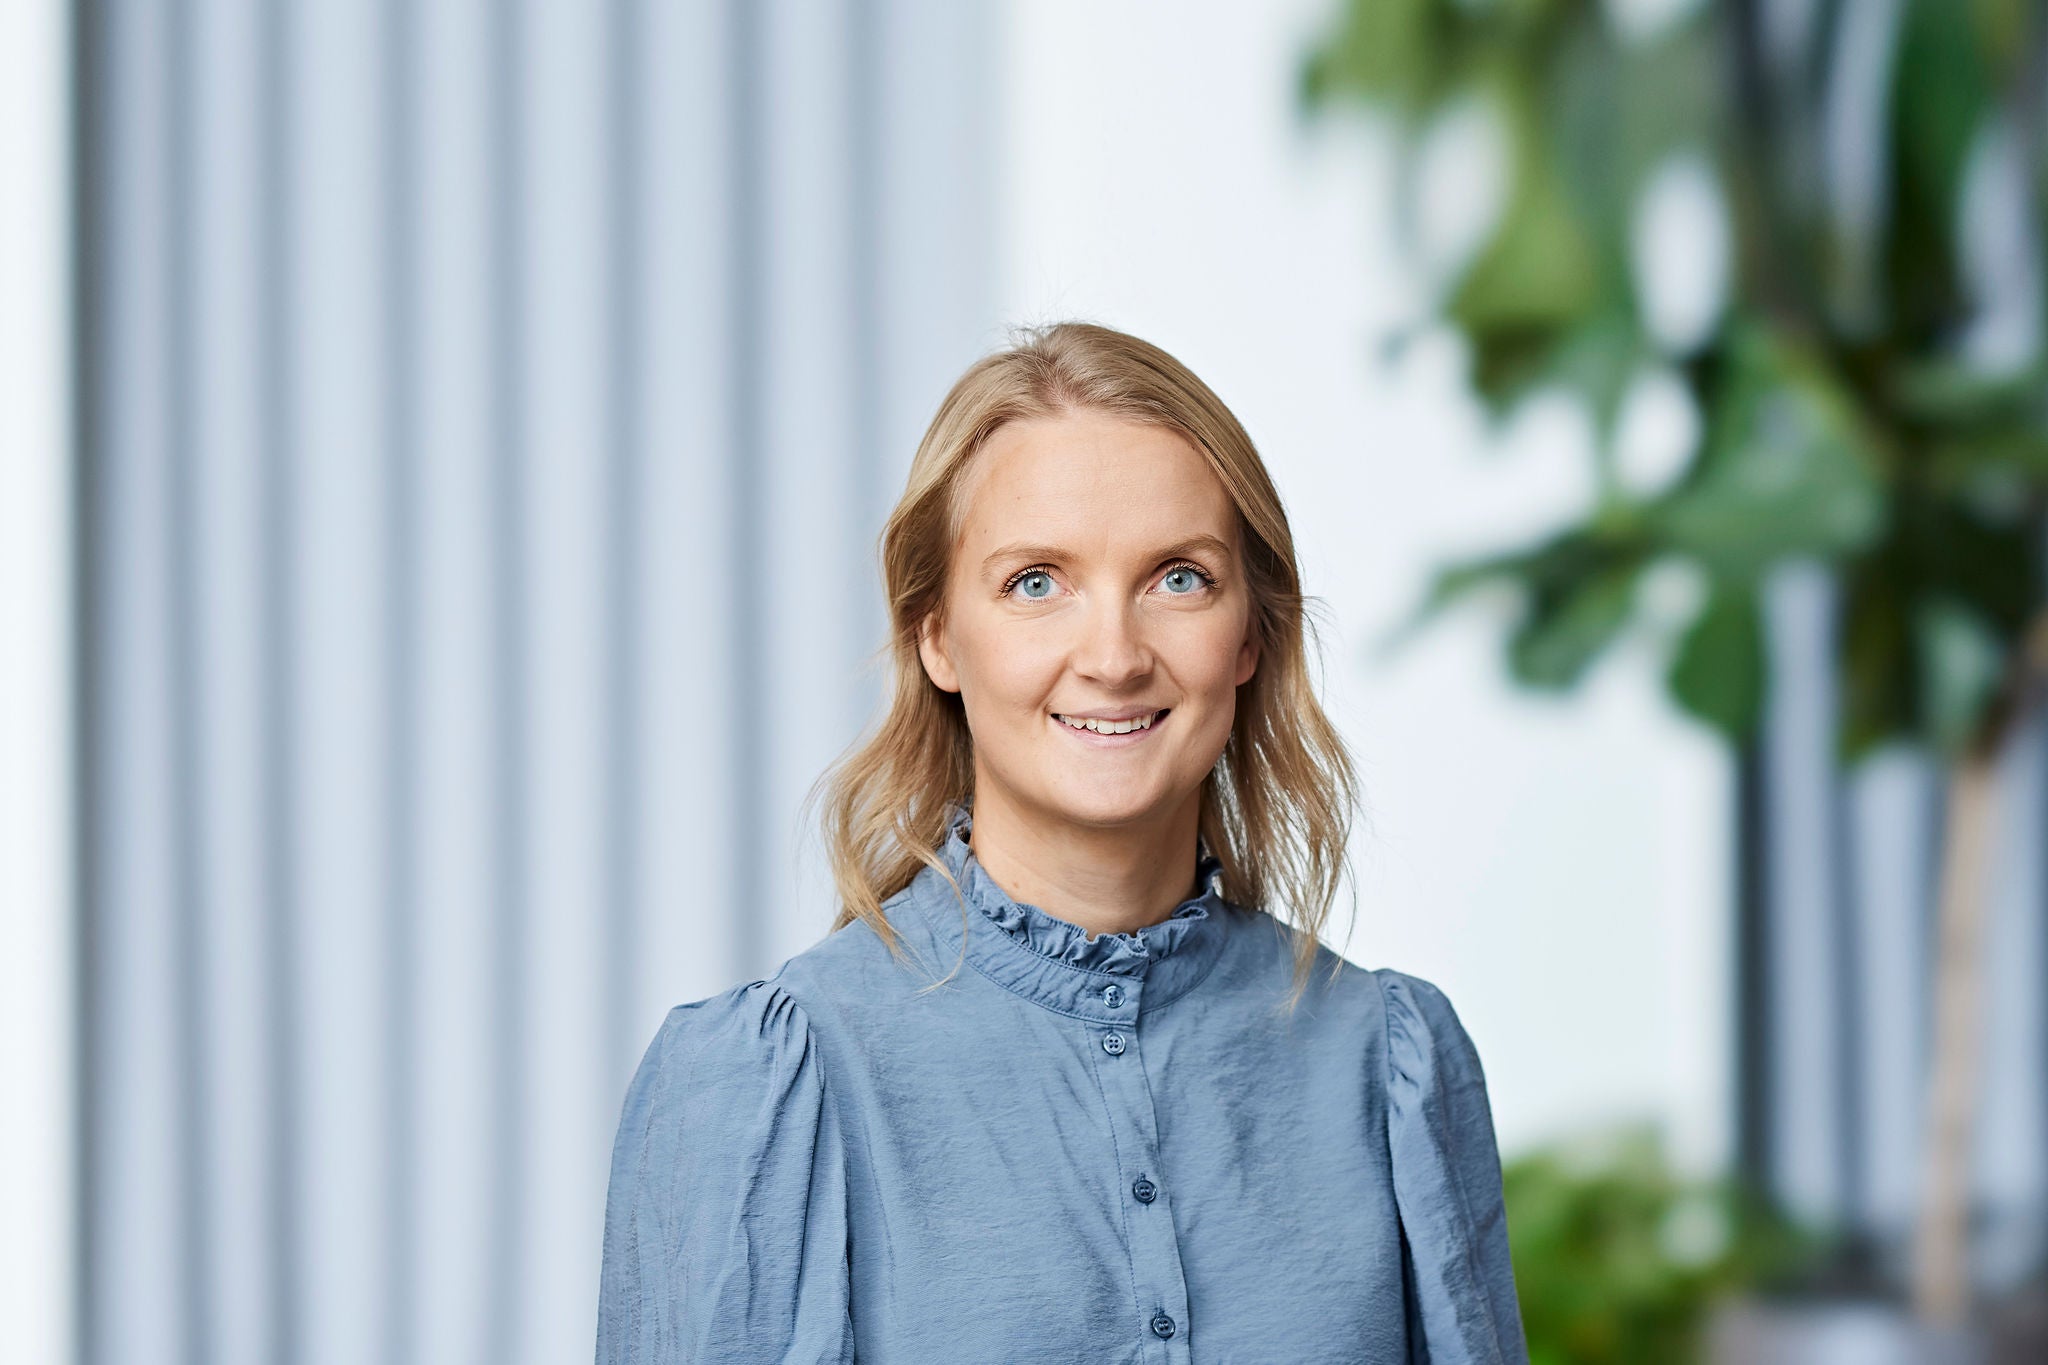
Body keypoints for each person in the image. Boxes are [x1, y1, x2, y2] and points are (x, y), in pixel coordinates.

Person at [595, 321, 1529, 1363]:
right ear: (936, 637)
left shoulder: (1390, 1064)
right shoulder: (770, 1083)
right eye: (1036, 582)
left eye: (1178, 577)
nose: (1114, 657)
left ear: (1249, 635)